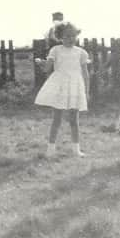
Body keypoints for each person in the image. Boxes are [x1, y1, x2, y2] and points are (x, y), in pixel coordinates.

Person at [34, 22, 90, 158]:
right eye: (67, 36)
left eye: (73, 35)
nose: (70, 39)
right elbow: (48, 68)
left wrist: (86, 91)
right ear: (60, 37)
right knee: (57, 119)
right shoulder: (56, 50)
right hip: (60, 86)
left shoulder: (81, 52)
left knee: (74, 120)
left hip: (75, 86)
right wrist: (41, 63)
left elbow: (85, 73)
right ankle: (51, 149)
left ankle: (76, 150)